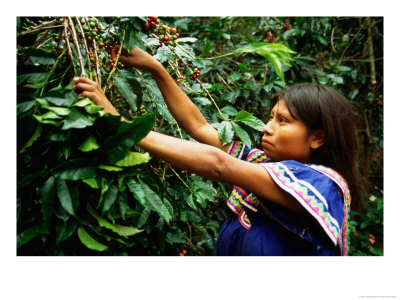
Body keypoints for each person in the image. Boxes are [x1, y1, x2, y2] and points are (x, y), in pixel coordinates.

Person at [72, 46, 364, 256]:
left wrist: (123, 126)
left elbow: (219, 165)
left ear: (317, 138)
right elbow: (199, 128)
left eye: (283, 121)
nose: (267, 127)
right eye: (271, 116)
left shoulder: (323, 184)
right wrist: (155, 68)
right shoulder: (262, 164)